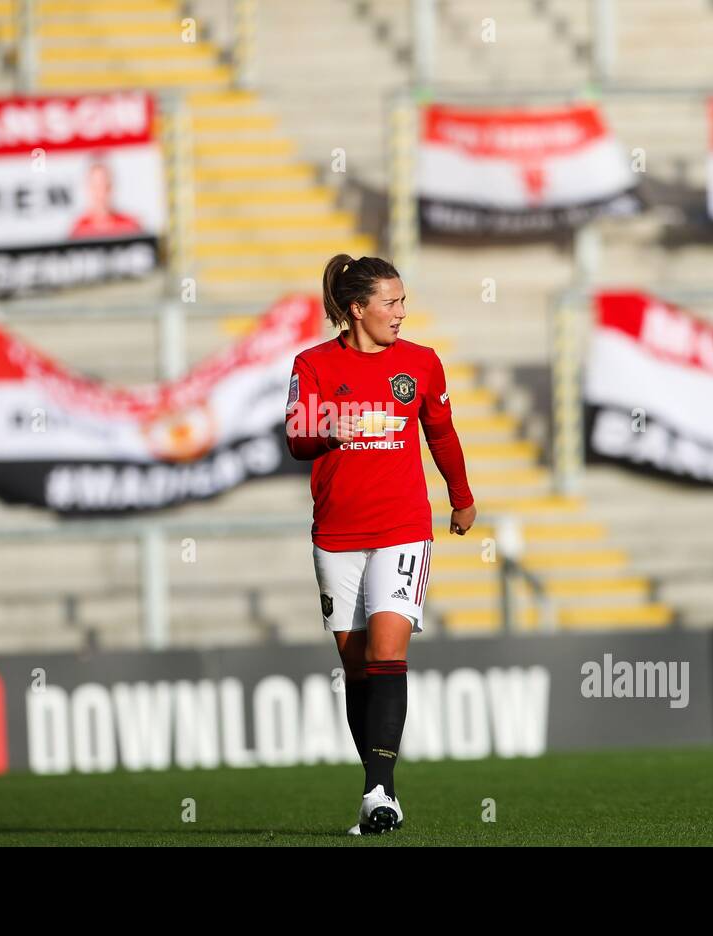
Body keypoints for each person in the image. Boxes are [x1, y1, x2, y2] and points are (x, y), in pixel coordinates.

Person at [285, 253, 476, 835]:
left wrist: (461, 496)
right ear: (356, 309)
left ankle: (380, 793)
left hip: (402, 529)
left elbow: (440, 432)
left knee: (387, 654)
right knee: (356, 666)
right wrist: (326, 430)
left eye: (403, 300)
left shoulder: (420, 364)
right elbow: (295, 438)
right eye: (390, 302)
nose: (401, 312)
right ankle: (374, 787)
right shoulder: (313, 364)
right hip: (337, 534)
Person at [69, 161, 142, 239]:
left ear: (111, 187)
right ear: (88, 188)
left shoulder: (129, 226)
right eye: (96, 186)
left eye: (104, 185)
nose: (101, 192)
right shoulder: (79, 229)